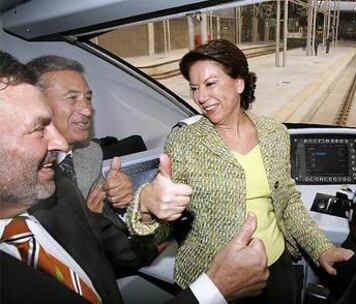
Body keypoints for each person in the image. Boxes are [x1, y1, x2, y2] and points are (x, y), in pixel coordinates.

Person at [0, 50, 269, 304]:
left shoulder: (60, 182)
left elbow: (98, 254)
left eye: (88, 98)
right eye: (38, 127)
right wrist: (215, 288)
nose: (58, 143)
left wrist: (132, 206)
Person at [127, 39, 354, 304]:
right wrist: (146, 208)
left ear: (239, 83)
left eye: (210, 84)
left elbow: (288, 202)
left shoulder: (275, 134)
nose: (200, 97)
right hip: (214, 277)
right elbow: (163, 225)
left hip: (276, 268)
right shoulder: (184, 142)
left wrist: (322, 249)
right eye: (194, 88)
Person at [27, 56, 132, 231]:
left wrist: (120, 202)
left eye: (88, 98)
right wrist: (86, 222)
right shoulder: (23, 169)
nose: (87, 110)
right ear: (37, 104)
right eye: (72, 98)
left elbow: (107, 218)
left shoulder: (90, 153)